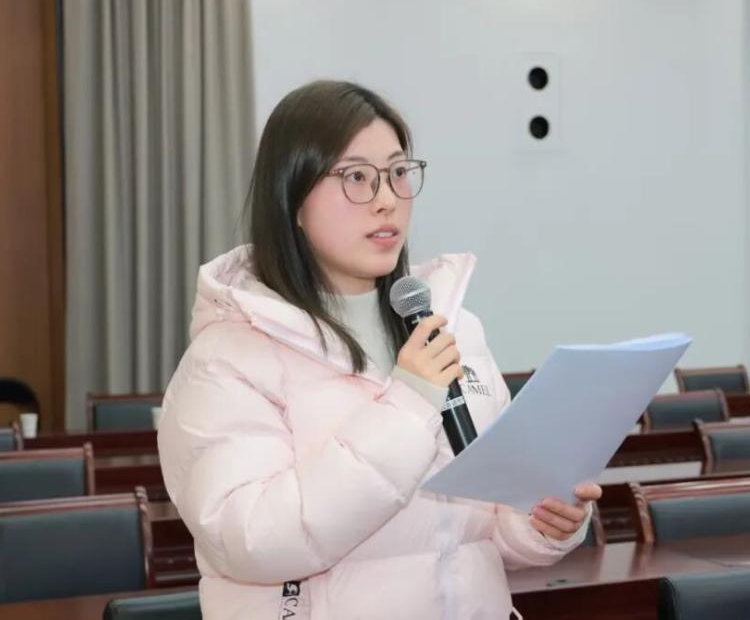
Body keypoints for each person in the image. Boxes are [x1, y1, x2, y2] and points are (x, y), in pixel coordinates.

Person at [158, 80, 602, 619]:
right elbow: (251, 540)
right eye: (356, 177)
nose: (387, 198)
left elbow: (473, 532)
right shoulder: (228, 359)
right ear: (292, 199)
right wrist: (409, 405)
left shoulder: (450, 327)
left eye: (397, 173)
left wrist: (539, 522)